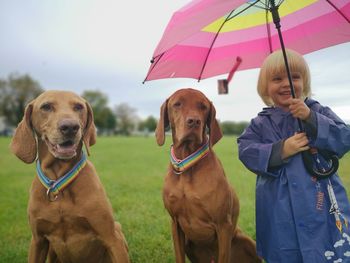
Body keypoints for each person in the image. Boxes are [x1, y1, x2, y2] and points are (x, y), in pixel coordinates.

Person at [237, 49, 350, 263]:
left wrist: (311, 119)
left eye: (294, 77)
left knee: (326, 249)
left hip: (319, 200)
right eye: (277, 79)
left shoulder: (317, 111)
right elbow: (246, 150)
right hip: (278, 207)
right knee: (284, 251)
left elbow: (344, 138)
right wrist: (281, 150)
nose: (287, 84)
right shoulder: (261, 123)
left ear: (304, 81)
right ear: (265, 87)